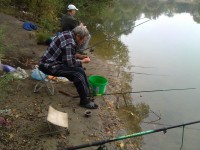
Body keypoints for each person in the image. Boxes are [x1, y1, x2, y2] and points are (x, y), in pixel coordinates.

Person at [39, 25, 98, 109]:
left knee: (79, 69)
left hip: (53, 62)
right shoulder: (70, 42)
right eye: (83, 40)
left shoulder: (68, 34)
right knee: (78, 72)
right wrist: (83, 61)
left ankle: (86, 93)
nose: (83, 42)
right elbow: (70, 63)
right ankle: (84, 101)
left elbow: (67, 53)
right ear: (78, 36)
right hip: (48, 66)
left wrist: (79, 56)